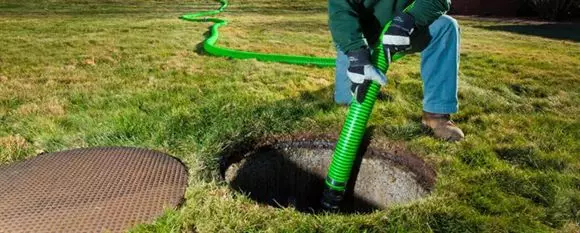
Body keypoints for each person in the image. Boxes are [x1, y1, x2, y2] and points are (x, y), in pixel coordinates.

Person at [329, 0, 465, 141]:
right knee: (345, 102)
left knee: (445, 26)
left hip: (407, 27)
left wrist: (409, 19)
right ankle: (346, 102)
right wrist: (355, 53)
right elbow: (340, 9)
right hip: (361, 35)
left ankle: (436, 116)